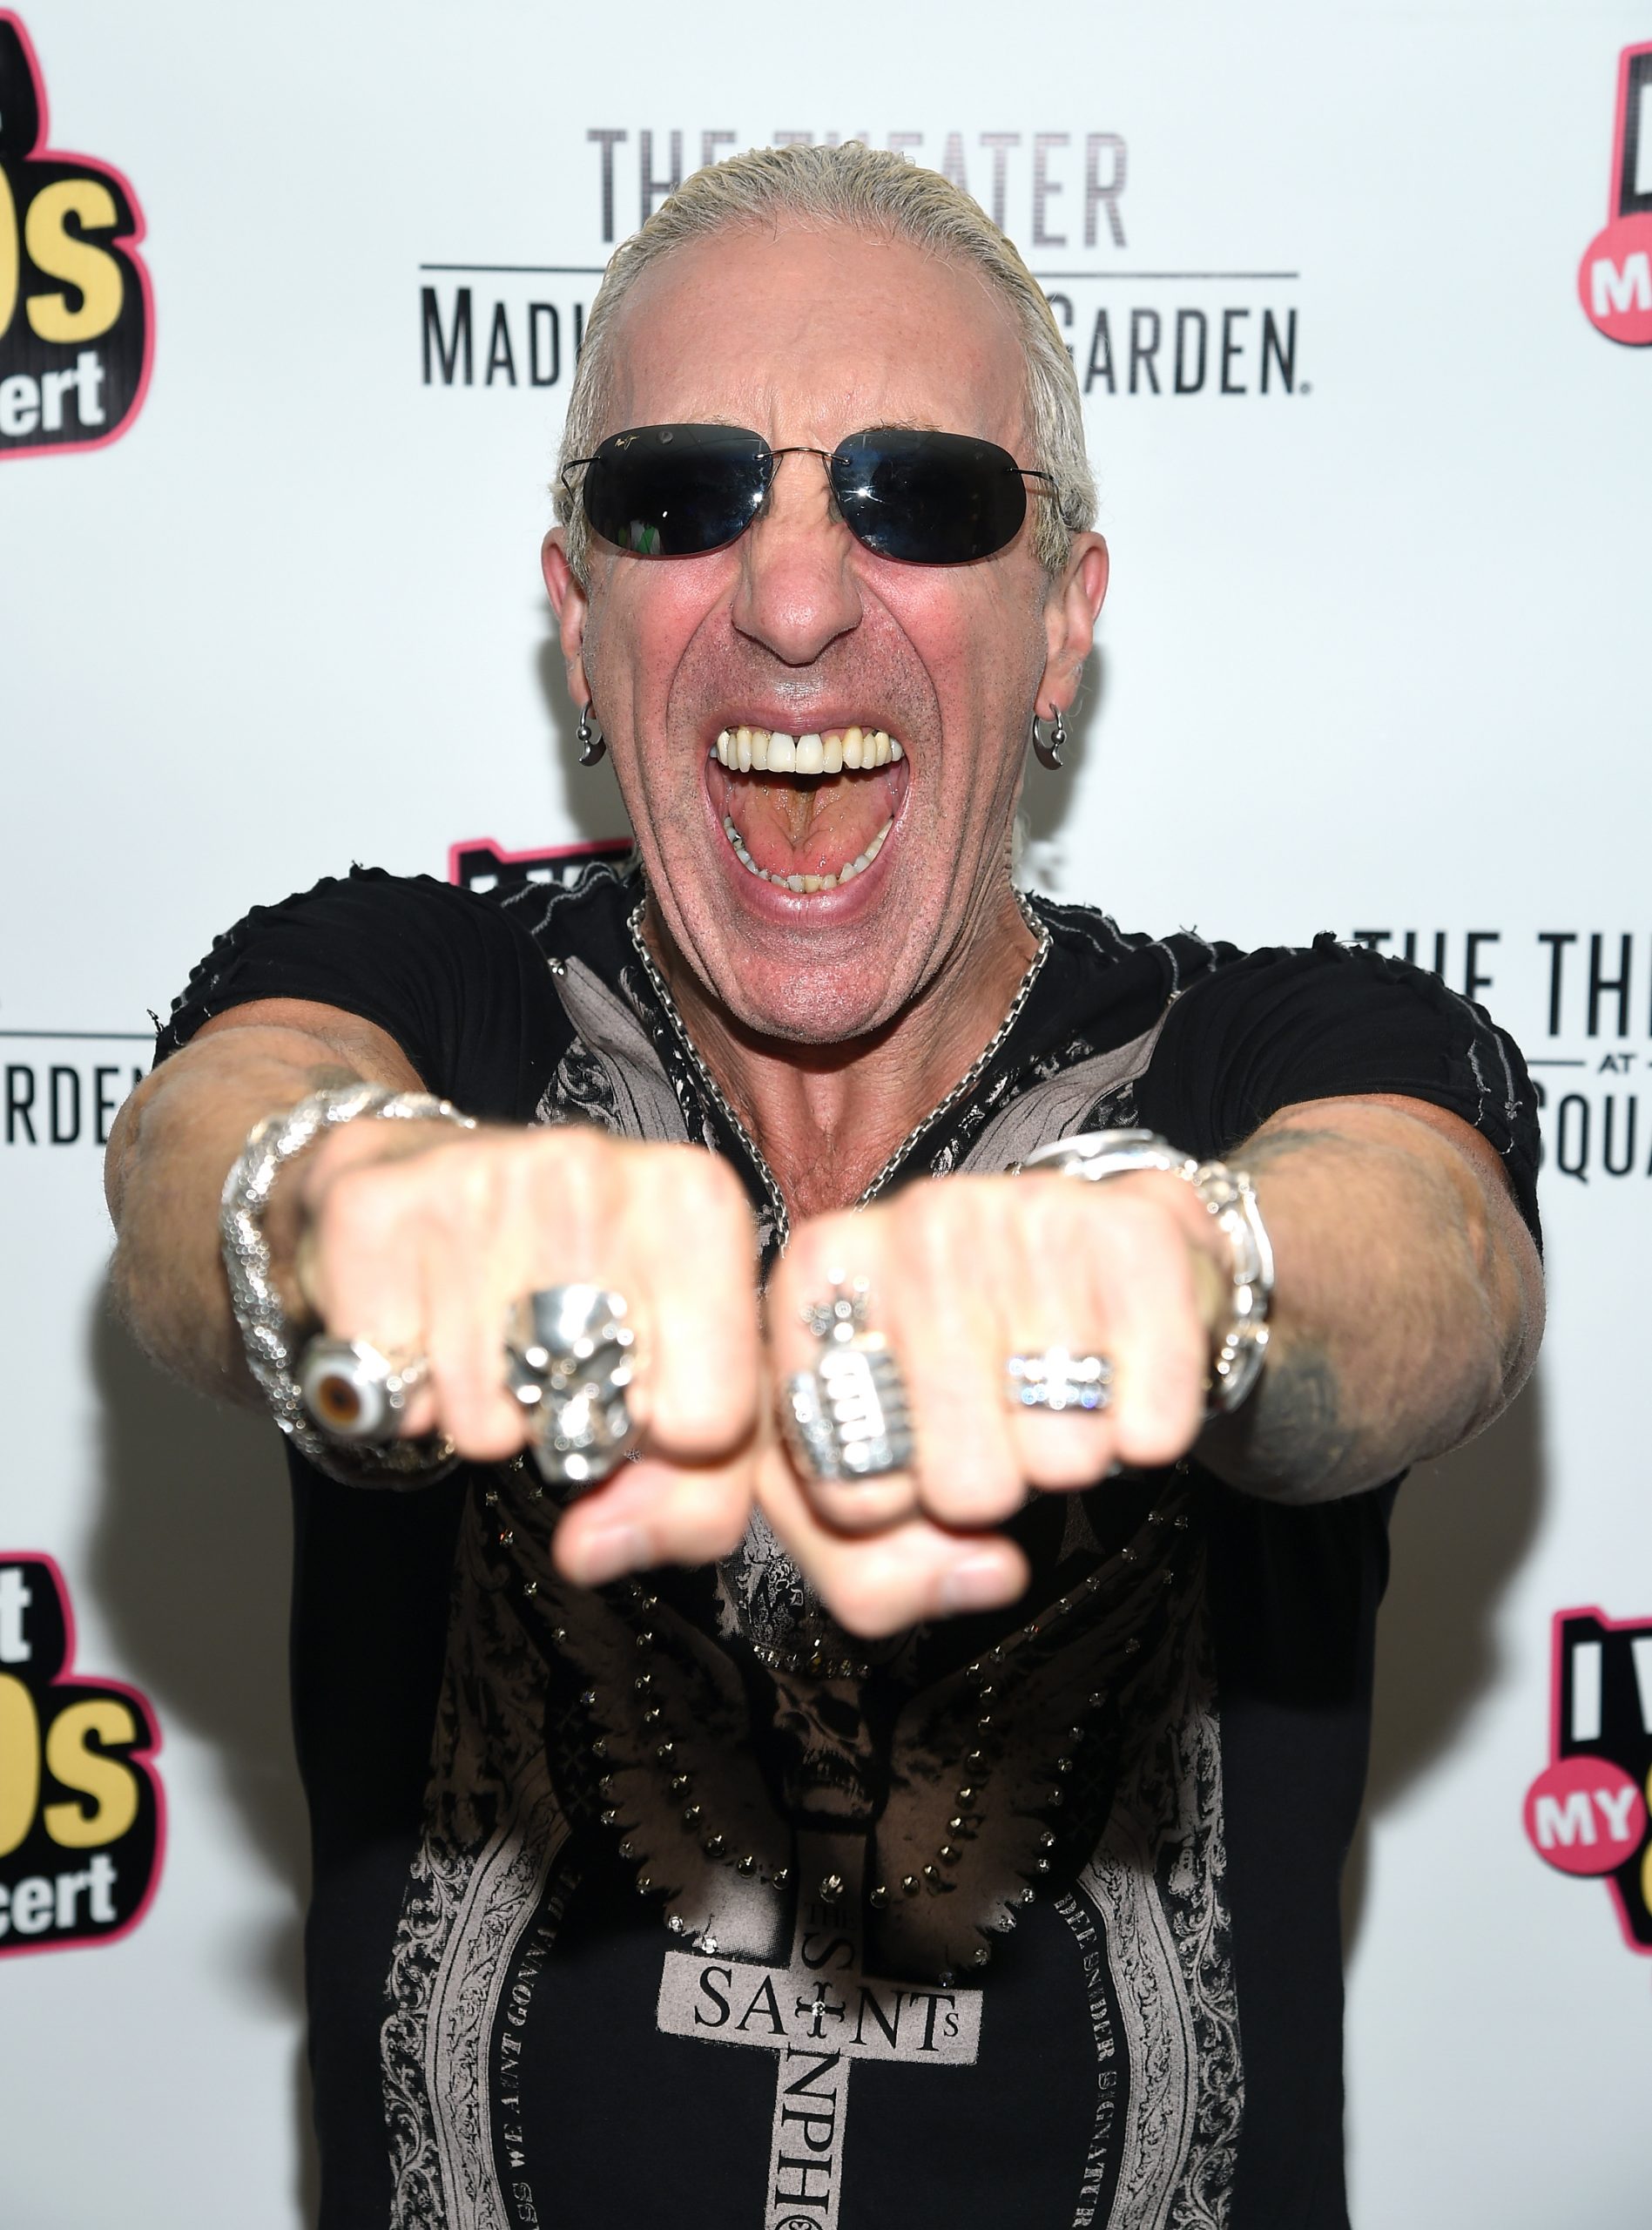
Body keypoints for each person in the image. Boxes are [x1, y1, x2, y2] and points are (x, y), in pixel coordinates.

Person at [105, 143, 1542, 2230]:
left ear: (1062, 624)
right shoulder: (433, 995)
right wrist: (341, 1214)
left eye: (920, 497)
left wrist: (1189, 1274)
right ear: (576, 618)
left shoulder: (1261, 1048)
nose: (792, 598)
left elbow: (1428, 1252)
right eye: (681, 494)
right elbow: (208, 1144)